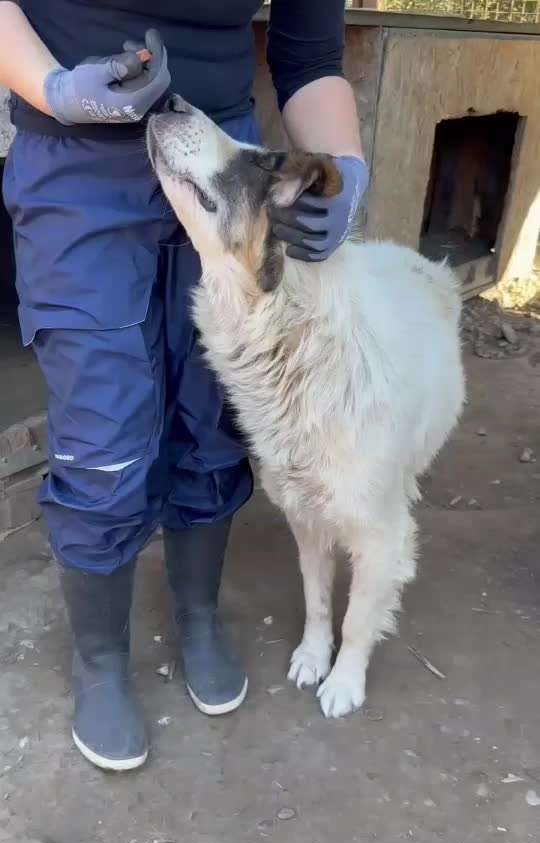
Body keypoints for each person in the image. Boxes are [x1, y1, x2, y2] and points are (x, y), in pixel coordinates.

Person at [0, 0, 368, 771]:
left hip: (215, 148)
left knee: (214, 413)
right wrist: (58, 88)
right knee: (104, 436)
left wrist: (345, 168)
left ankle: (197, 613)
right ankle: (100, 661)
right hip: (74, 160)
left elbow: (309, 55)